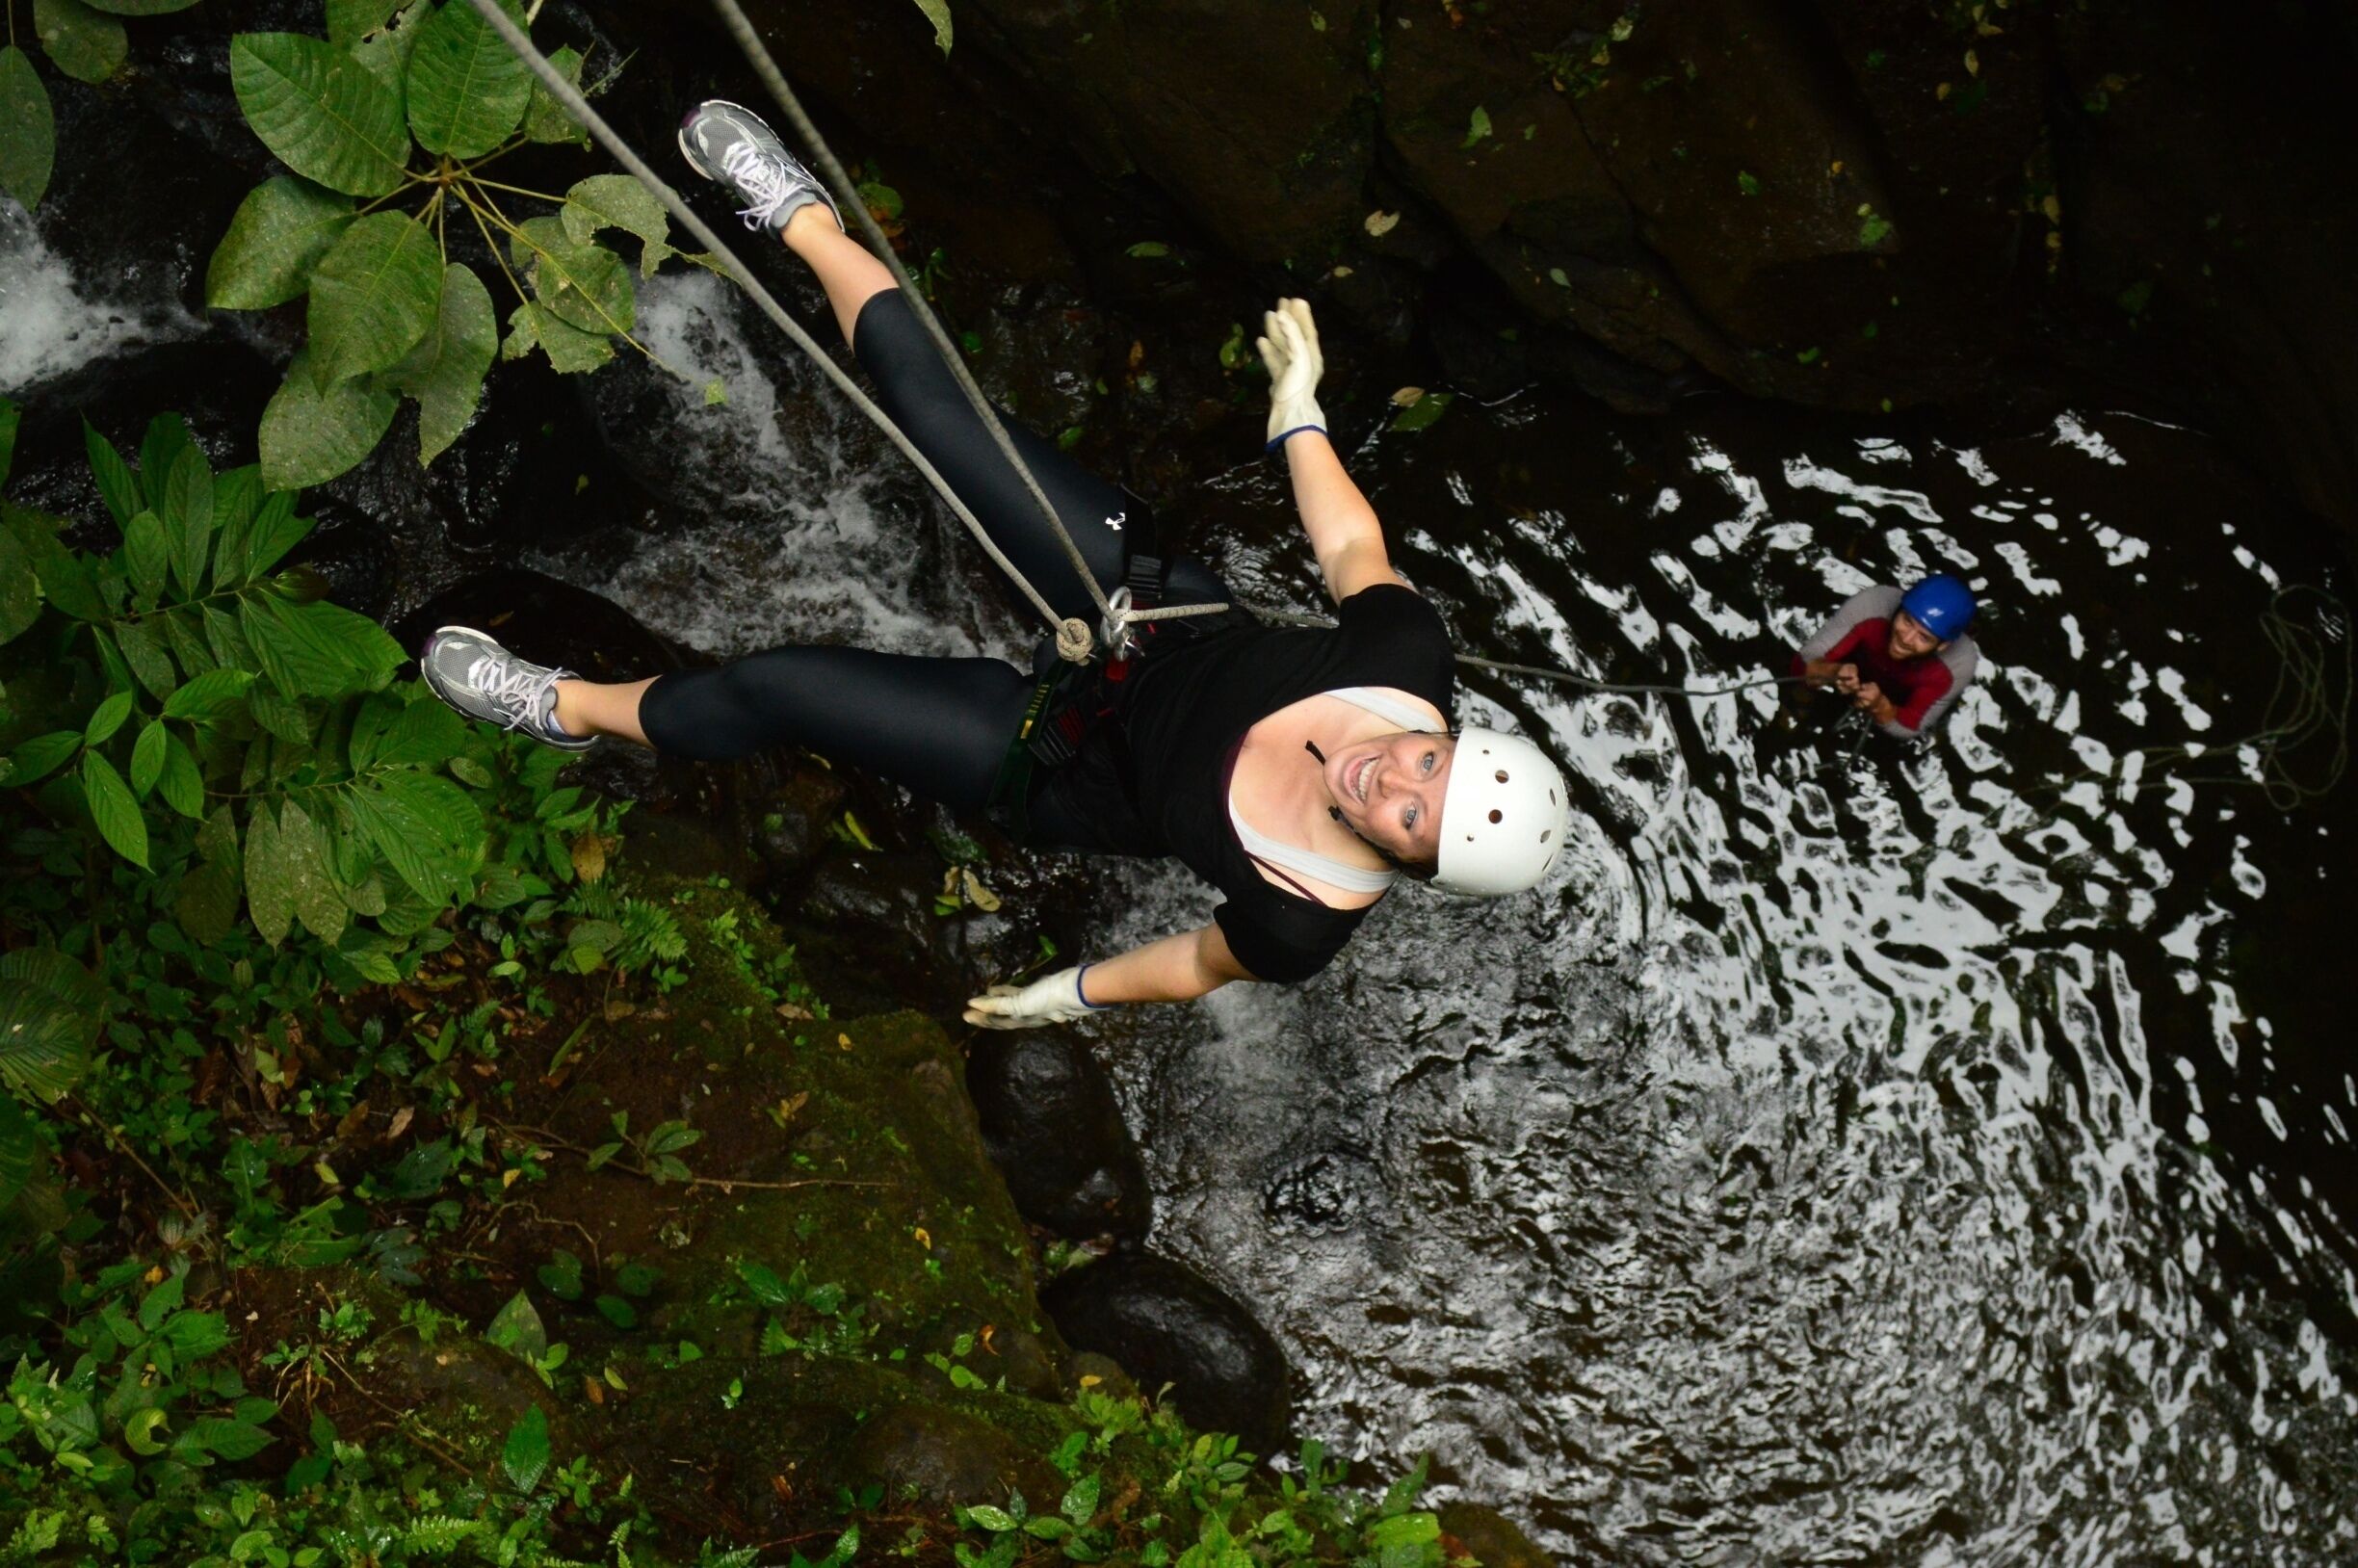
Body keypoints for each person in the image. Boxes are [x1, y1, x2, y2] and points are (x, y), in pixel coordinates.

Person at [421, 101, 1570, 1028]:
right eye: (1430, 759)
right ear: (1442, 730)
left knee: (781, 687)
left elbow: (1193, 965)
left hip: (1061, 765)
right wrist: (1299, 417)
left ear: (1408, 866)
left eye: (1415, 819)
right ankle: (805, 219)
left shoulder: (1299, 921)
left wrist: (1061, 996)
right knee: (941, 414)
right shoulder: (1403, 653)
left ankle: (565, 706)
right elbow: (1354, 546)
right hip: (1147, 611)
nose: (1394, 778)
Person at [1792, 576, 1980, 738]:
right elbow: (1803, 662)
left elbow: (1911, 726)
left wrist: (1880, 706)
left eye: (1924, 637)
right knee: (1800, 693)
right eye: (1907, 620)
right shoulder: (1872, 605)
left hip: (1896, 696)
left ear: (1943, 646)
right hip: (1854, 662)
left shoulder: (1958, 664)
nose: (1906, 639)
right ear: (1899, 607)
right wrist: (1833, 672)